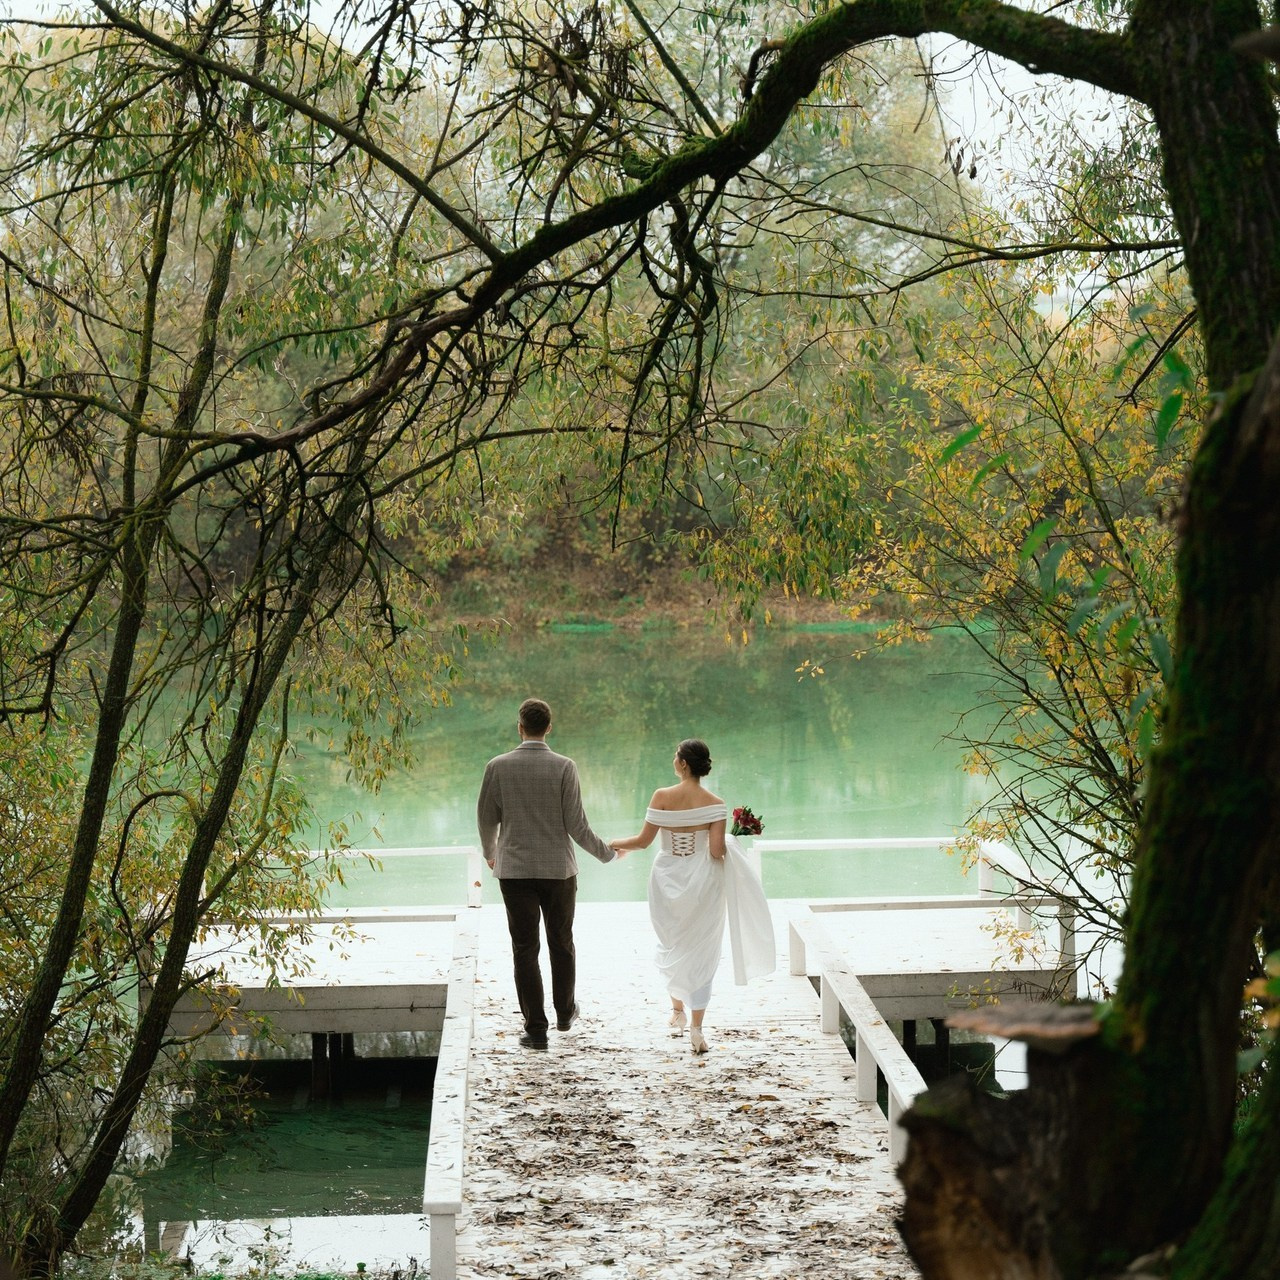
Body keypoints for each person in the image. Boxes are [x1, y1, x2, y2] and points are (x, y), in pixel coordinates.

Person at [611, 738, 774, 1054]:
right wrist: (732, 838)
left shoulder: (662, 796)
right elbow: (716, 851)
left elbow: (643, 842)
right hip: (703, 881)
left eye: (676, 756)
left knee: (672, 943)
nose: (674, 760)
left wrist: (612, 844)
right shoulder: (715, 802)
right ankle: (697, 1030)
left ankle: (677, 1010)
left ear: (683, 763)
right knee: (702, 949)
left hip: (666, 877)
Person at [477, 697, 618, 1049]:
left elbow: (486, 818)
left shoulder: (497, 766)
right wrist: (606, 853)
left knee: (525, 948)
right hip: (559, 871)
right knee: (561, 942)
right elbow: (577, 825)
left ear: (520, 727)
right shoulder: (564, 767)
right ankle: (565, 1012)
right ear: (549, 727)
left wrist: (491, 853)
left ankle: (536, 1029)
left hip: (515, 872)